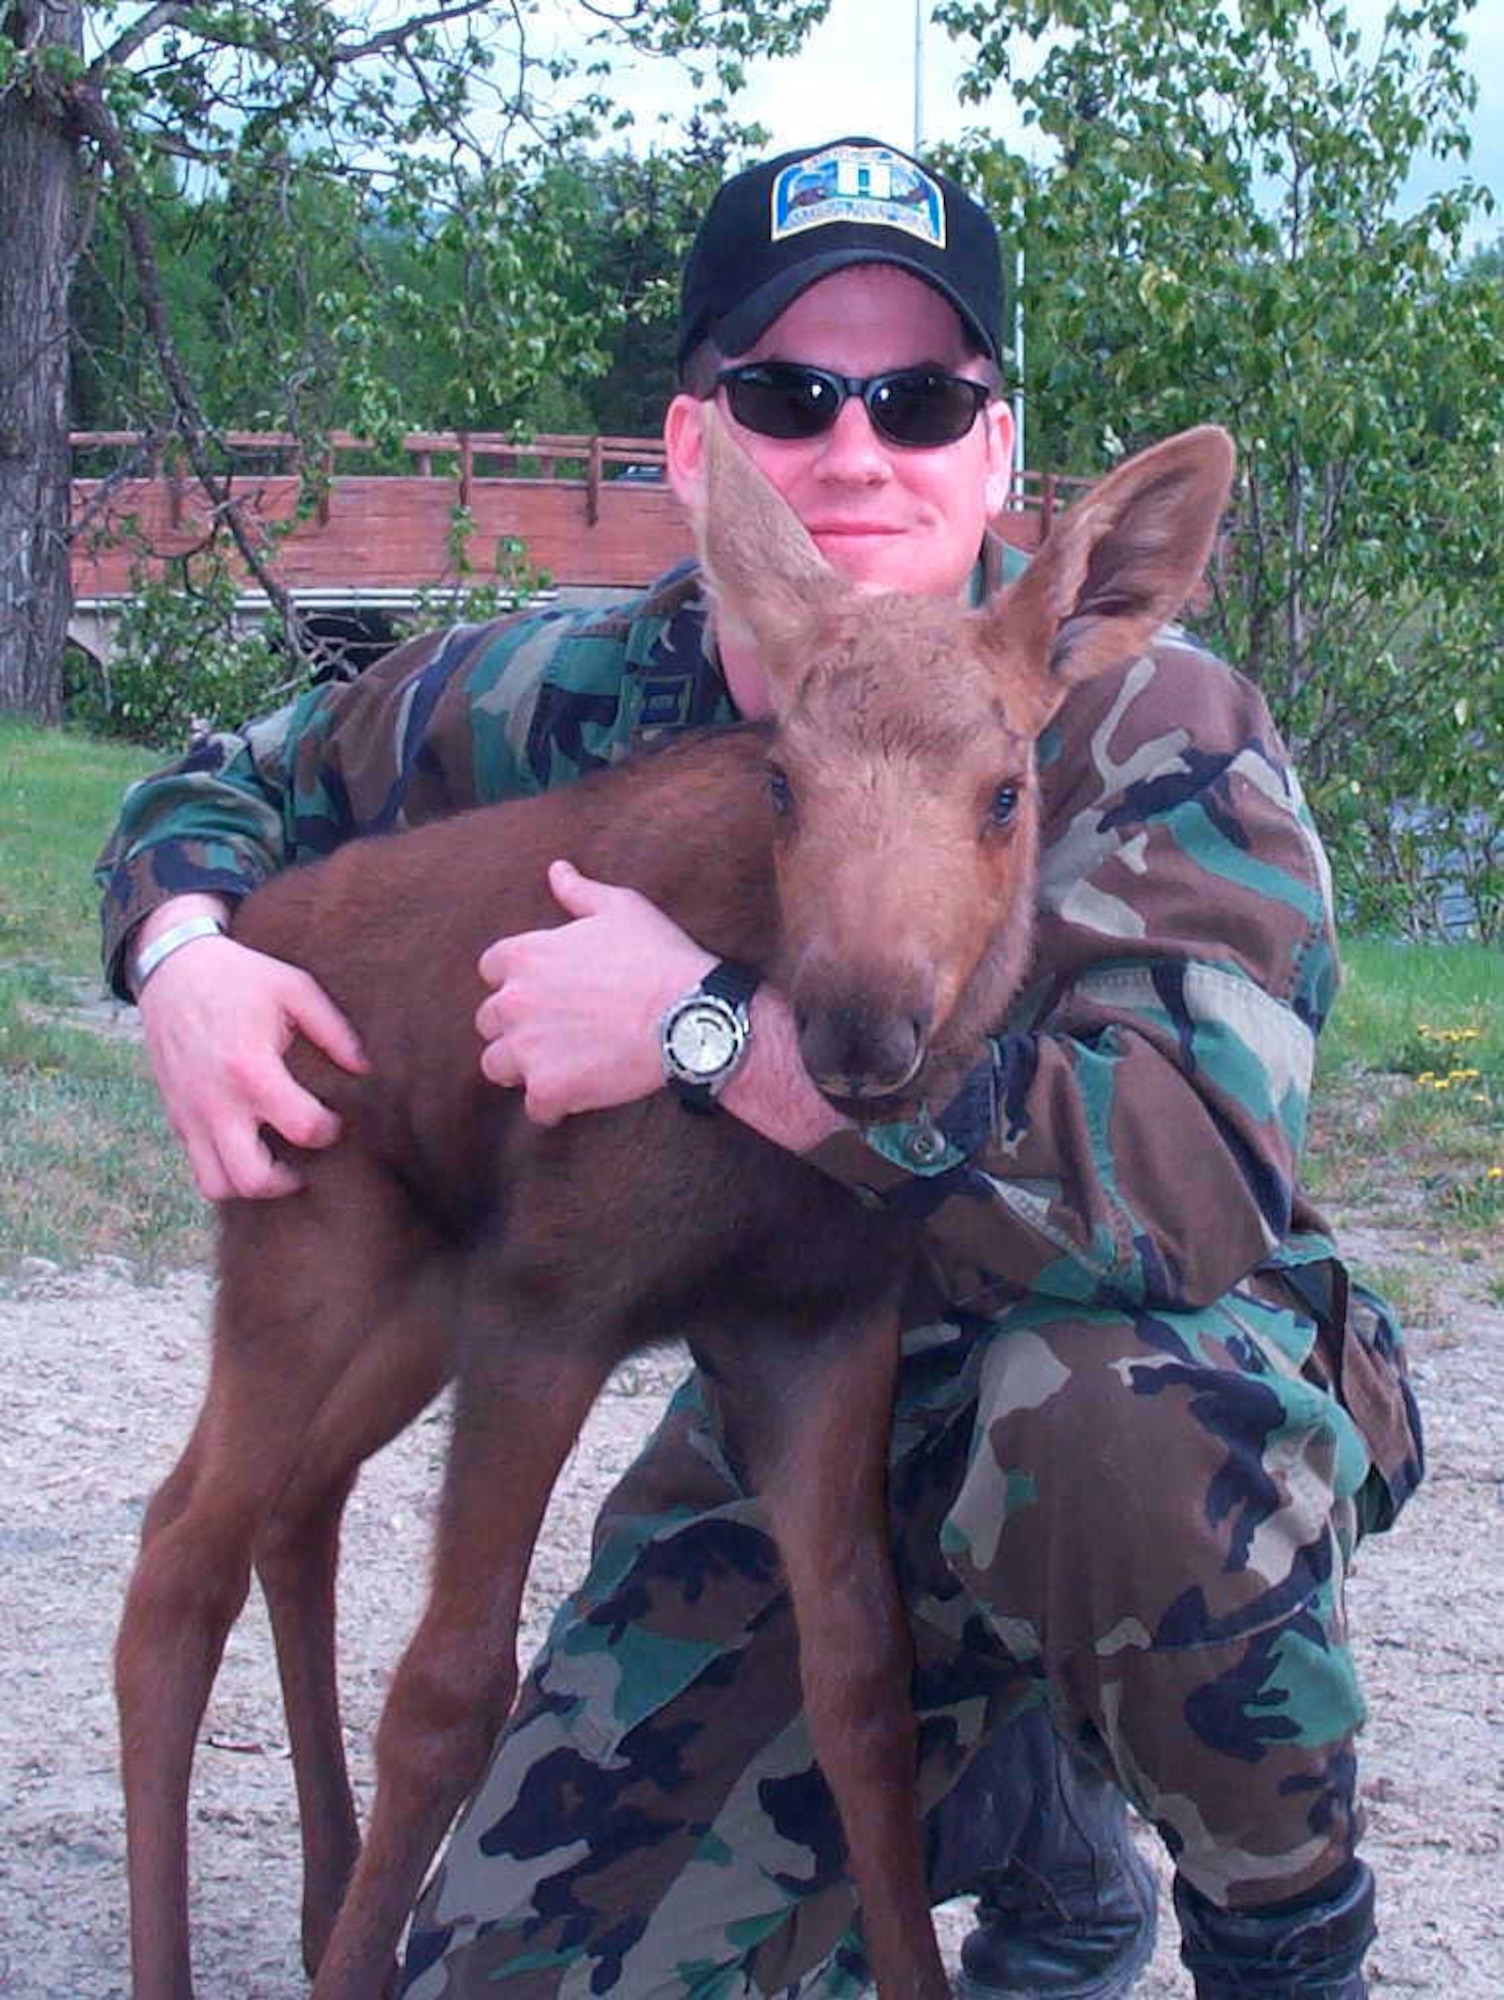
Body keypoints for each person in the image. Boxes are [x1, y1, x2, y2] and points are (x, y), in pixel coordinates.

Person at [98, 137, 1422, 1999]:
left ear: (996, 452)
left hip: (1090, 1374)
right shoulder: (570, 691)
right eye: (793, 393)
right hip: (776, 1419)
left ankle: (1286, 1940)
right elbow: (230, 781)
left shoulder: (1153, 724)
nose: (858, 446)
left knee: (1129, 1430)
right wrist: (184, 958)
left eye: (922, 396)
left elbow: (1189, 1190)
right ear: (699, 451)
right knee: (526, 1972)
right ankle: (1027, 1828)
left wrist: (713, 1035)